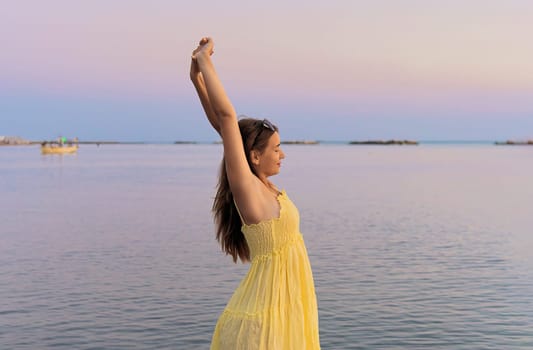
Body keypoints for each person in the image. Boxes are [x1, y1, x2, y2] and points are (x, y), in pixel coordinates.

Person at [191, 37, 320, 349]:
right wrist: (205, 61)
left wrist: (196, 76)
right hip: (266, 315)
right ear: (254, 156)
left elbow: (224, 129)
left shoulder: (266, 187)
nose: (282, 155)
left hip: (287, 307)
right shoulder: (247, 189)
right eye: (276, 149)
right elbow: (226, 119)